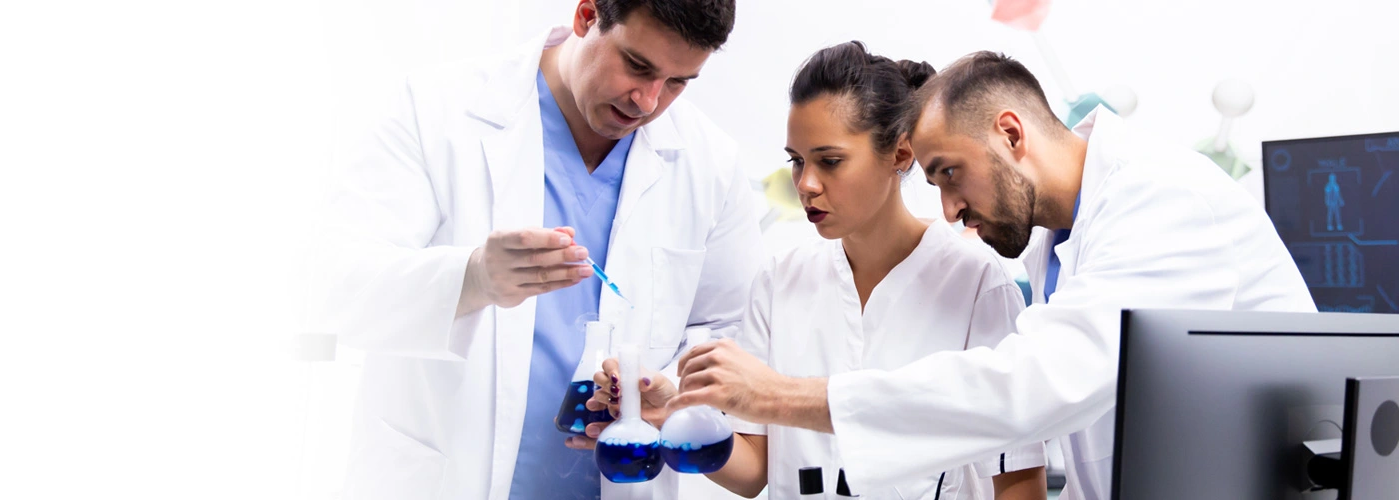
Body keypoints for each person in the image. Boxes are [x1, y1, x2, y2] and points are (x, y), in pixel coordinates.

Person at [661, 51, 1316, 500]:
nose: (949, 209)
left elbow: (1031, 389)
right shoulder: (1055, 245)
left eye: (950, 173)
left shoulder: (1161, 199)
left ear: (1010, 134)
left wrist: (777, 397)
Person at [310, 1, 762, 498]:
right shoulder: (436, 109)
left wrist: (658, 389)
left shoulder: (711, 165)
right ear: (586, 16)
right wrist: (472, 278)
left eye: (677, 82)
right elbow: (334, 284)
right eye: (638, 66)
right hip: (444, 477)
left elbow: (725, 332)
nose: (649, 102)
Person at [577, 42, 1047, 499]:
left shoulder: (977, 283)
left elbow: (1018, 481)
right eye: (797, 161)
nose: (806, 184)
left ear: (901, 154)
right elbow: (753, 472)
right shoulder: (779, 281)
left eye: (830, 161)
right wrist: (673, 416)